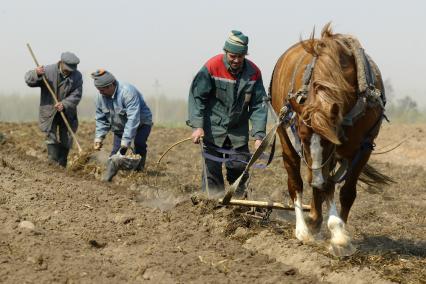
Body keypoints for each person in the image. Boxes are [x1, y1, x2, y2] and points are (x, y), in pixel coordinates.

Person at [187, 30, 268, 196]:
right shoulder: (212, 67)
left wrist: (259, 135)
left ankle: (238, 200)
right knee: (212, 173)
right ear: (226, 52)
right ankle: (213, 208)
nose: (237, 60)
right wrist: (197, 126)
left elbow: (259, 105)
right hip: (212, 130)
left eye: (241, 56)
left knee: (239, 168)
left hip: (238, 132)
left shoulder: (253, 73)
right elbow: (197, 97)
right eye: (233, 56)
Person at [25, 52, 83, 167]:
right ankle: (52, 164)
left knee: (66, 140)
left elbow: (77, 94)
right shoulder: (47, 71)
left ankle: (62, 165)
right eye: (67, 69)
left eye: (71, 69)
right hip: (49, 111)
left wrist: (65, 104)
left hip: (67, 112)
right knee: (50, 137)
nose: (69, 71)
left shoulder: (77, 76)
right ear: (61, 63)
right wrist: (35, 73)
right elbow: (29, 80)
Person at [92, 69, 152, 171]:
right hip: (119, 126)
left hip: (142, 122)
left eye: (102, 90)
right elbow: (101, 118)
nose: (100, 93)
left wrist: (126, 141)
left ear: (111, 85)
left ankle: (139, 170)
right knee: (116, 152)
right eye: (98, 90)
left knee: (139, 144)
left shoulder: (127, 92)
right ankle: (111, 173)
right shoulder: (100, 97)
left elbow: (133, 118)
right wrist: (99, 137)